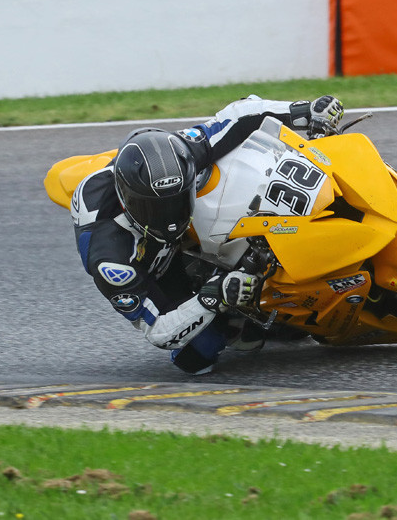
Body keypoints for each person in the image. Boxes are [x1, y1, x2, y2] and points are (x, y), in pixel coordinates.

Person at [70, 95, 344, 374]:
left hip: (177, 221)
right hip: (155, 269)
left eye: (176, 201)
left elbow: (241, 115)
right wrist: (211, 298)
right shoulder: (111, 261)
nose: (169, 217)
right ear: (126, 200)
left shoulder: (182, 152)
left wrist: (303, 110)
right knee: (198, 357)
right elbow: (157, 331)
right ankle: (237, 321)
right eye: (156, 208)